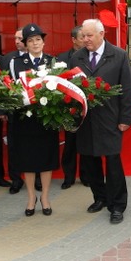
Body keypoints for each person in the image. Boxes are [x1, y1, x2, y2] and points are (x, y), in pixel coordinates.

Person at [70, 18, 131, 224]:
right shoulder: (77, 57)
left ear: (101, 34)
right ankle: (100, 197)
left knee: (113, 163)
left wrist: (125, 118)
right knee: (90, 162)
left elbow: (128, 89)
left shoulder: (118, 55)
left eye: (89, 35)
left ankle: (117, 205)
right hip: (86, 120)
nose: (85, 39)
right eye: (83, 36)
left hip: (110, 119)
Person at [9, 23, 57, 216]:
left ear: (43, 42)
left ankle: (44, 197)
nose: (35, 43)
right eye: (30, 40)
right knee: (27, 160)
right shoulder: (16, 63)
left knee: (46, 159)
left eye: (38, 39)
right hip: (24, 119)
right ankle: (31, 197)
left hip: (46, 119)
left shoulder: (53, 62)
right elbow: (11, 89)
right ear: (25, 44)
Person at [57, 26, 88, 189]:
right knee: (69, 145)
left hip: (86, 107)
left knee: (86, 144)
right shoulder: (62, 58)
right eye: (82, 37)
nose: (86, 40)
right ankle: (68, 177)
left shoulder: (89, 56)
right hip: (68, 108)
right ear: (74, 39)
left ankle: (85, 176)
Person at [0, 29, 26, 194]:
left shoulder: (37, 58)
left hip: (33, 110)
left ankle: (37, 177)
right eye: (15, 38)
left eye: (20, 38)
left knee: (33, 145)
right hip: (13, 111)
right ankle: (16, 179)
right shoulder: (7, 59)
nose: (17, 41)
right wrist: (2, 109)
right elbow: (2, 84)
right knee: (14, 147)